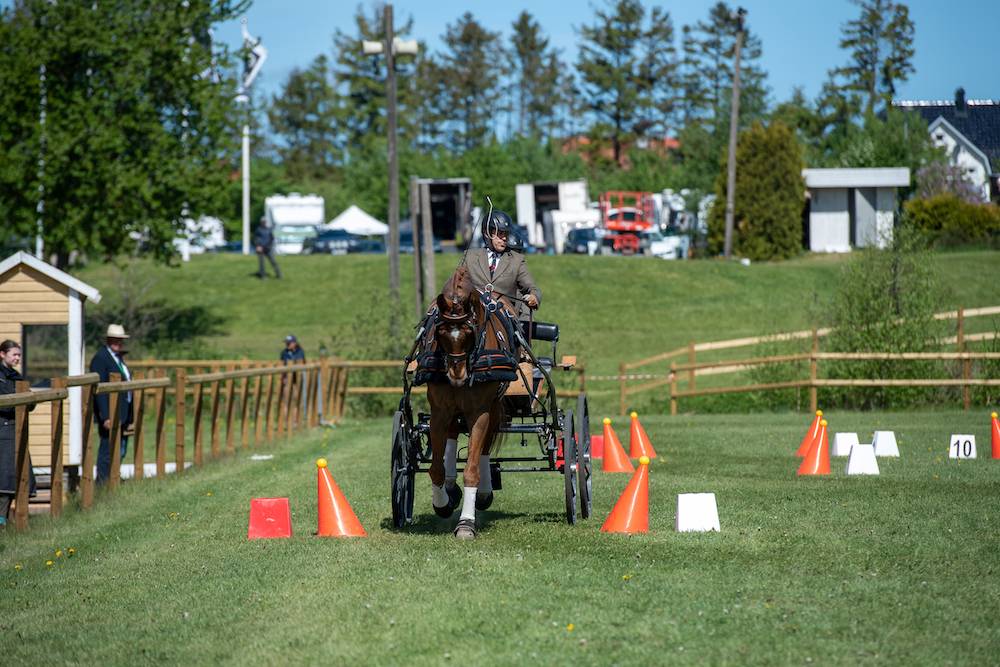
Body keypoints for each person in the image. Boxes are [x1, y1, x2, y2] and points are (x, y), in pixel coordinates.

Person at [465, 208, 541, 321]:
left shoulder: (516, 260)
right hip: (474, 314)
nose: (504, 238)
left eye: (506, 234)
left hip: (504, 317)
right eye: (500, 234)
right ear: (487, 233)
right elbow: (456, 283)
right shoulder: (470, 257)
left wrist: (534, 297)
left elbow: (531, 288)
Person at [89, 324, 134, 485]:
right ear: (108, 340)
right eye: (115, 340)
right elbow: (99, 389)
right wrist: (105, 416)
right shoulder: (101, 358)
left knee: (120, 448)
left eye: (120, 340)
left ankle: (113, 479)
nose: (118, 343)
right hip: (110, 412)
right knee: (107, 450)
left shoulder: (118, 358)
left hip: (122, 411)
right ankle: (102, 482)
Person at [0, 340, 36, 526]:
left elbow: (30, 401)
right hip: (3, 433)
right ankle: (2, 523)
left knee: (21, 478)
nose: (17, 358)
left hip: (16, 431)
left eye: (19, 355)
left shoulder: (16, 376)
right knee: (4, 483)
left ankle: (15, 523)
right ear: (2, 354)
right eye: (14, 354)